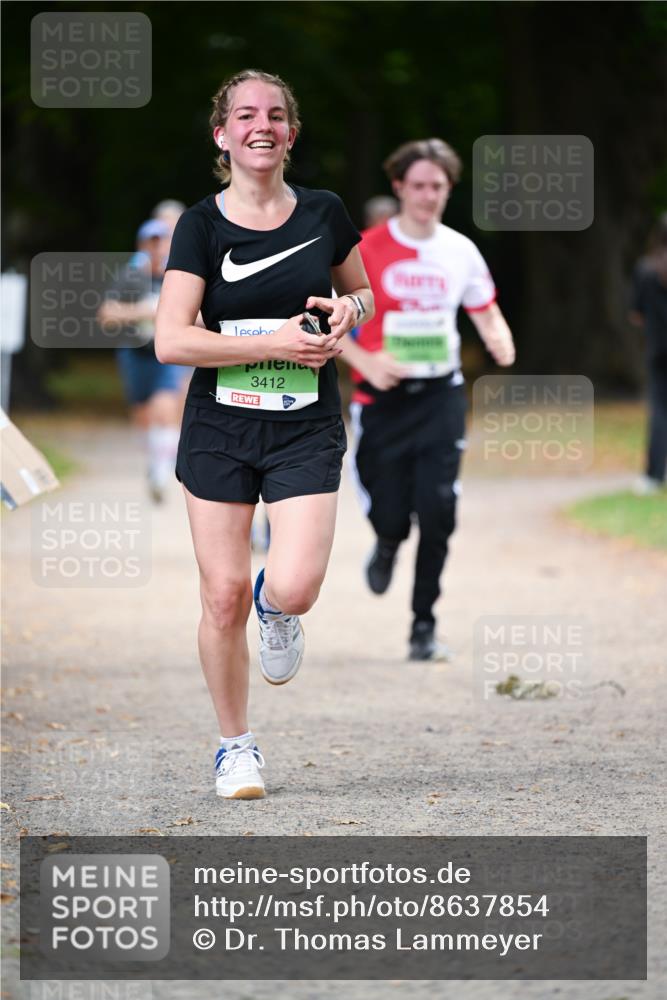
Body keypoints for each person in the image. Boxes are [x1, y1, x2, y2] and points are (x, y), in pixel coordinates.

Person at [155, 69, 373, 800]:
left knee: (295, 585)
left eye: (275, 115)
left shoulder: (324, 211)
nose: (262, 125)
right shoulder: (200, 226)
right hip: (220, 425)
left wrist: (349, 313)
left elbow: (362, 292)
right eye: (246, 115)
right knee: (222, 597)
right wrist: (273, 343)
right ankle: (235, 747)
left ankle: (275, 609)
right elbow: (171, 341)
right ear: (222, 135)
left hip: (304, 426)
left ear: (291, 132)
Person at [339, 138, 515, 661]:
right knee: (391, 511)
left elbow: (484, 308)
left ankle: (423, 626)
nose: (427, 195)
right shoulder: (364, 248)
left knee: (439, 510)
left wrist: (499, 338)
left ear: (449, 189)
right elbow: (325, 322)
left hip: (441, 395)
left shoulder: (460, 250)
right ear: (399, 187)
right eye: (417, 185)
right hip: (382, 398)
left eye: (437, 186)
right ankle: (387, 541)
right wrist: (367, 362)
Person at [98, 219, 184, 503]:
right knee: (143, 416)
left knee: (166, 407)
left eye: (163, 242)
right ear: (143, 246)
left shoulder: (178, 276)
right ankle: (155, 461)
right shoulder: (130, 277)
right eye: (152, 242)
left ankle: (161, 474)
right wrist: (143, 312)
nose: (158, 249)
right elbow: (106, 314)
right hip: (134, 354)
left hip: (166, 354)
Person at [629, 212, 667, 494]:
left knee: (659, 412)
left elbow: (636, 315)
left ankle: (654, 475)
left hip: (658, 350)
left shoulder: (645, 269)